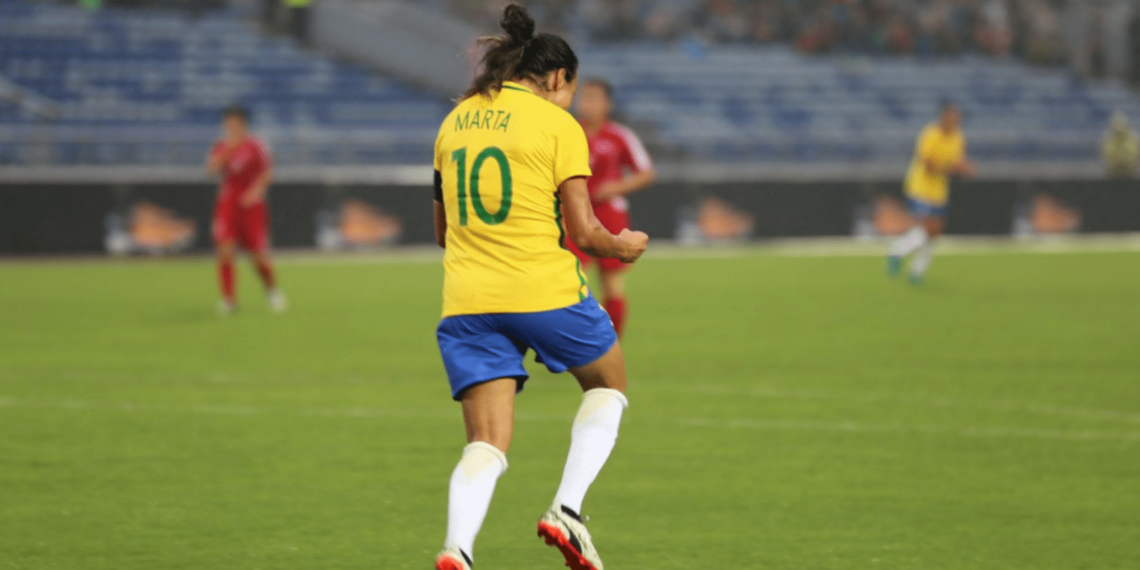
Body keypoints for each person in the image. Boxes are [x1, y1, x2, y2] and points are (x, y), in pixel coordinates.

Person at [430, 5, 649, 570]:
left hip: (467, 301)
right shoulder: (558, 125)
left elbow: (441, 230)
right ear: (556, 79)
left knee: (485, 441)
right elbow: (585, 234)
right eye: (570, 90)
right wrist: (624, 246)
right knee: (608, 384)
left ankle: (458, 550)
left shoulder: (454, 121)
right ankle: (568, 511)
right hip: (542, 290)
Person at [570, 78, 656, 338]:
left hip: (610, 214)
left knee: (613, 285)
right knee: (571, 282)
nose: (587, 104)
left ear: (607, 104)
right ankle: (578, 341)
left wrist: (615, 188)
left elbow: (646, 172)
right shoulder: (570, 131)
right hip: (575, 214)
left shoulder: (619, 135)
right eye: (584, 97)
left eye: (594, 98)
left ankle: (612, 343)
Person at [205, 105, 286, 314]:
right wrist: (227, 150)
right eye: (227, 122)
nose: (230, 126)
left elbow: (267, 173)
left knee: (258, 255)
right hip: (228, 203)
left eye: (234, 122)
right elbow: (211, 169)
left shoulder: (256, 146)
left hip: (251, 205)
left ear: (243, 124)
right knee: (225, 249)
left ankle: (272, 290)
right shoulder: (221, 145)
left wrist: (255, 191)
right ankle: (229, 300)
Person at [887, 103, 975, 284]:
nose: (955, 121)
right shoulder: (930, 134)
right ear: (943, 117)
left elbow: (956, 162)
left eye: (957, 117)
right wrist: (954, 167)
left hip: (939, 191)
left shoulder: (958, 137)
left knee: (935, 233)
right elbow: (927, 165)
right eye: (952, 117)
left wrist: (963, 168)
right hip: (920, 187)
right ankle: (898, 251)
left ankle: (916, 270)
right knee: (928, 228)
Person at [1101, 110, 1139, 178]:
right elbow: (1107, 158)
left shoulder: (1133, 139)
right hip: (1113, 173)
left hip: (1130, 173)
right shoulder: (1108, 140)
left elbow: (1134, 157)